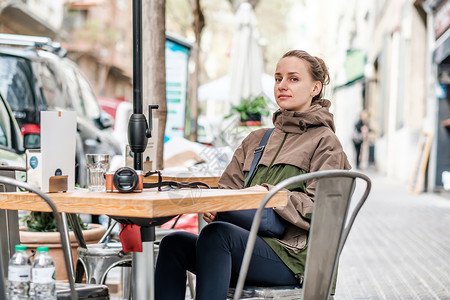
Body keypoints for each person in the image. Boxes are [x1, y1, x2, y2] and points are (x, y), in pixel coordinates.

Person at [154, 50, 350, 300]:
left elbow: (324, 211)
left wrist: (273, 194)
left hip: (294, 258)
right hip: (243, 246)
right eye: (278, 78)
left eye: (293, 79)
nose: (282, 85)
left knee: (216, 236)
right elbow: (226, 191)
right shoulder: (257, 140)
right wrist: (214, 206)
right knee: (174, 243)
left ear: (315, 88)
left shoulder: (325, 142)